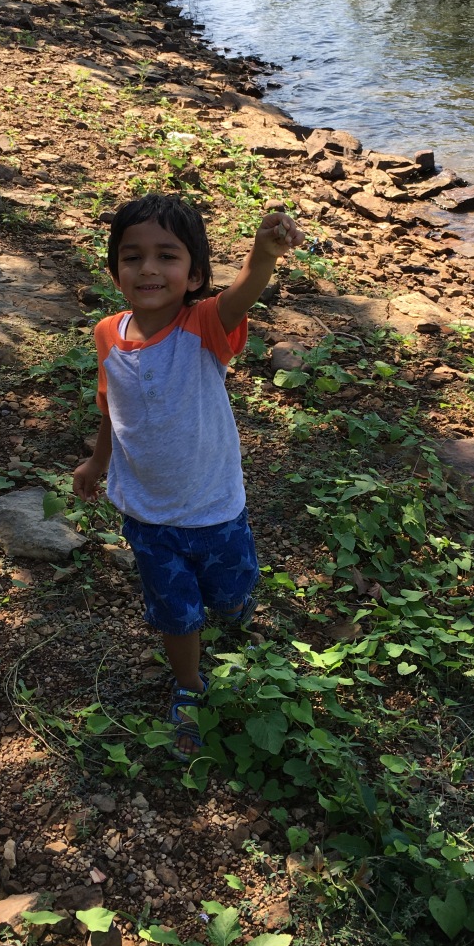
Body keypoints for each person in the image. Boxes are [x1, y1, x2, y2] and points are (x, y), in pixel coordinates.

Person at [72, 192, 305, 759]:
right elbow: (111, 404)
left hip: (214, 504)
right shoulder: (108, 333)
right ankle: (189, 684)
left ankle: (234, 611)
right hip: (146, 510)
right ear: (115, 269)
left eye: (167, 256)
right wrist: (99, 459)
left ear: (195, 273)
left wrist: (262, 254)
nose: (149, 268)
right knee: (176, 611)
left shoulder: (204, 325)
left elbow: (242, 292)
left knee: (230, 593)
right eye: (132, 257)